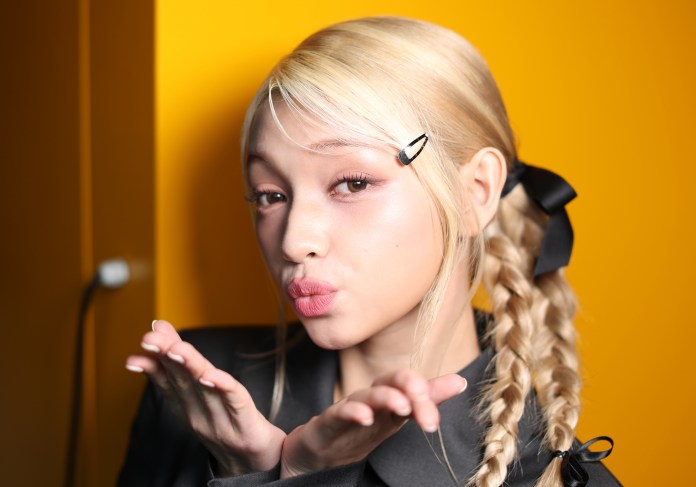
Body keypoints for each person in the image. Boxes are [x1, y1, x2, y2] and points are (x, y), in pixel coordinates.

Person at [119, 16, 619, 487]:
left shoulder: (548, 472)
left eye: (353, 183)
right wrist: (243, 466)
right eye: (270, 195)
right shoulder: (196, 391)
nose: (294, 241)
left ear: (475, 192)